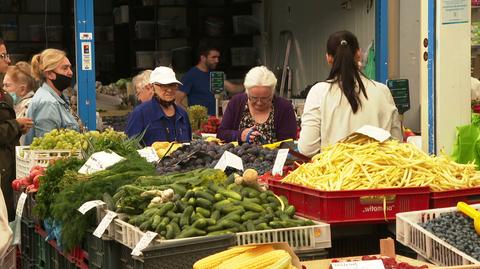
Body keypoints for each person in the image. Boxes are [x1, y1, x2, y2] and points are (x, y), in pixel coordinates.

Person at [298, 31, 402, 157]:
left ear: (328, 58)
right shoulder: (382, 91)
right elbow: (396, 143)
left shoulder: (318, 92)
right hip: (377, 174)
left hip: (334, 174)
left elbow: (307, 149)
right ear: (358, 53)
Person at [217, 66, 297, 144]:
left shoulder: (285, 107)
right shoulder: (236, 102)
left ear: (272, 93)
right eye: (254, 98)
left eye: (265, 98)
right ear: (247, 92)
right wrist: (240, 135)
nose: (259, 102)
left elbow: (288, 143)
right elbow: (221, 134)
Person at [0, 39, 34, 221]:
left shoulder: (4, 96)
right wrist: (16, 125)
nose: (8, 60)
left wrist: (18, 129)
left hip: (7, 171)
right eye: (3, 55)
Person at [24, 49, 79, 145]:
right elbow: (48, 147)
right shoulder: (48, 103)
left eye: (70, 68)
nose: (70, 72)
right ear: (49, 74)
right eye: (65, 68)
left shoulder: (57, 97)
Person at [126, 66, 192, 146]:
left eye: (173, 85)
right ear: (153, 87)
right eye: (163, 86)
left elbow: (189, 145)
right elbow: (129, 147)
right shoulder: (141, 113)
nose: (169, 90)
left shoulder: (182, 114)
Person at [176, 46, 243, 115]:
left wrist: (250, 85)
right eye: (213, 57)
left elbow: (232, 88)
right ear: (203, 58)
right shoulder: (191, 75)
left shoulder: (214, 74)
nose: (217, 61)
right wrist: (193, 116)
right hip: (201, 122)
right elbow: (176, 102)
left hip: (217, 119)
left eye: (218, 58)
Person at [3, 62, 37, 144]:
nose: (3, 89)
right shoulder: (17, 105)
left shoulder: (29, 107)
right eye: (3, 85)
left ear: (22, 89)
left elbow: (22, 142)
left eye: (7, 86)